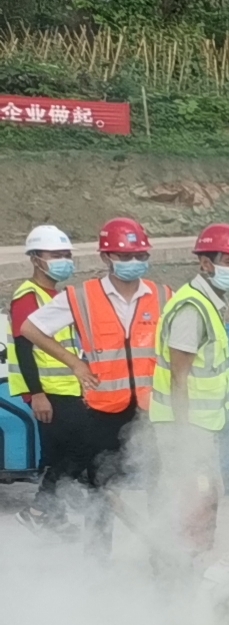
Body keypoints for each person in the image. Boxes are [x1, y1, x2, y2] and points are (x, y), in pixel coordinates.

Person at [16, 218, 172, 554]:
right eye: (124, 256)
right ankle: (98, 559)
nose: (133, 263)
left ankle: (163, 556)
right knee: (104, 485)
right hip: (104, 409)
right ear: (106, 257)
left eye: (139, 255)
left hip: (149, 408)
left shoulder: (162, 295)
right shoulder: (82, 297)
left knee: (157, 482)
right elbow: (30, 329)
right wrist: (73, 363)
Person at [150, 224, 229, 575]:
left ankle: (193, 563)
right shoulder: (192, 309)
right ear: (205, 263)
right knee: (192, 498)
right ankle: (180, 572)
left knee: (205, 497)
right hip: (186, 427)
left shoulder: (208, 303)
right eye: (228, 261)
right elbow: (179, 376)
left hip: (202, 426)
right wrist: (184, 435)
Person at [9, 225, 77, 534]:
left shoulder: (59, 295)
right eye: (56, 255)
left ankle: (52, 515)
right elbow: (24, 347)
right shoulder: (28, 297)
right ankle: (39, 510)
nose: (64, 260)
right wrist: (36, 393)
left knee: (63, 454)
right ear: (37, 259)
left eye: (67, 255)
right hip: (49, 392)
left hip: (67, 389)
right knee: (68, 454)